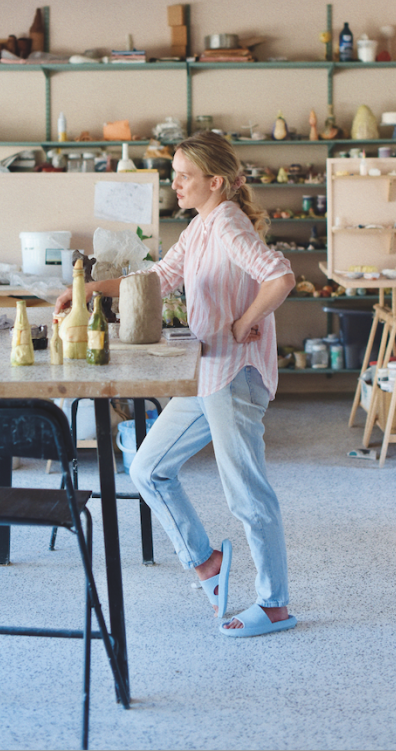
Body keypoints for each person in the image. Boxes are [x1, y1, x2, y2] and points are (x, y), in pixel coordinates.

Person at [55, 131, 296, 637]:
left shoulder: (228, 221)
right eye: (174, 175)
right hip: (207, 374)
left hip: (234, 374)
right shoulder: (201, 226)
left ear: (216, 181)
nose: (175, 185)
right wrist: (83, 289)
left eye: (184, 176)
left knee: (247, 494)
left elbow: (279, 276)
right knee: (147, 468)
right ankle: (206, 563)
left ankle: (275, 605)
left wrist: (244, 320)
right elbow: (158, 277)